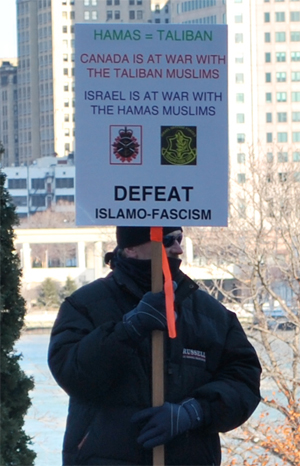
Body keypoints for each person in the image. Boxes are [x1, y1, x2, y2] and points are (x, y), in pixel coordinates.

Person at [48, 226, 261, 466]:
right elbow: (73, 375)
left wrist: (194, 412)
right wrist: (128, 330)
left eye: (180, 239)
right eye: (168, 240)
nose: (178, 249)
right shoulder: (84, 305)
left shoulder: (211, 314)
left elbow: (245, 380)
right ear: (131, 248)